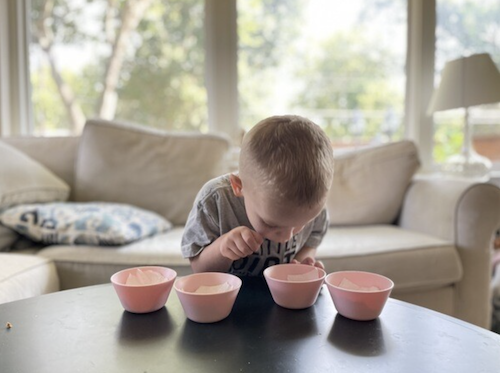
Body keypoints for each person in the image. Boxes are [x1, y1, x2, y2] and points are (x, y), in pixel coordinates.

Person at [181, 115, 334, 276]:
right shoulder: (215, 201)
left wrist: (303, 264)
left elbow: (310, 243)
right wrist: (222, 248)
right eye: (271, 224)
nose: (285, 238)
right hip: (229, 296)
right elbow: (199, 269)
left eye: (301, 224)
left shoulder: (312, 207)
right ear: (238, 186)